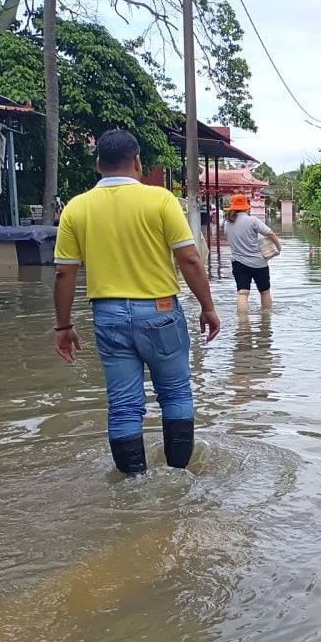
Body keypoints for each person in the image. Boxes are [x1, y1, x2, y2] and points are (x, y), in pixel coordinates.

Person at [53, 129, 221, 477]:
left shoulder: (76, 208)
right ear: (138, 162)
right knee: (175, 394)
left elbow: (63, 275)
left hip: (108, 315)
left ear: (98, 163)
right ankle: (178, 477)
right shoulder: (160, 201)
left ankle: (134, 482)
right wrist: (208, 307)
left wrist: (64, 326)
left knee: (123, 406)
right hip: (159, 311)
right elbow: (189, 259)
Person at [224, 193, 281, 312]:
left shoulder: (227, 224)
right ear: (246, 206)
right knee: (264, 292)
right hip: (259, 263)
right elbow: (269, 233)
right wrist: (278, 247)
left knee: (242, 293)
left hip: (238, 263)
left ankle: (243, 325)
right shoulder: (252, 221)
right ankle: (266, 322)